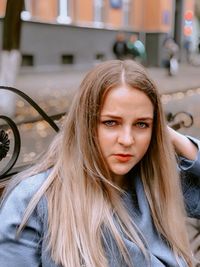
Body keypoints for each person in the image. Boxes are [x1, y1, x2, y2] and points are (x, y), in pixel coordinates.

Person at [0, 59, 200, 267]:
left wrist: (179, 141)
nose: (127, 140)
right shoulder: (33, 201)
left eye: (141, 124)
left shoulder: (157, 184)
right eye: (111, 122)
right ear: (85, 124)